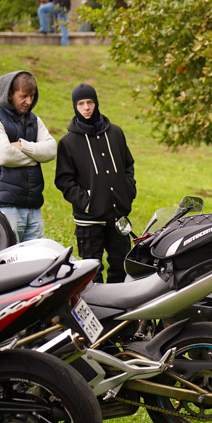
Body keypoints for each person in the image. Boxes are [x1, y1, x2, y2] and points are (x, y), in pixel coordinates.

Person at [55, 84, 136, 283]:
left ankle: (120, 312)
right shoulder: (68, 142)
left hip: (118, 217)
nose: (86, 108)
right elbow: (64, 180)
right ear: (75, 106)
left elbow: (128, 165)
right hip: (88, 221)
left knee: (122, 266)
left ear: (96, 103)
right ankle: (97, 313)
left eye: (90, 102)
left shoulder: (116, 133)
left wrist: (127, 192)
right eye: (81, 103)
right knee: (92, 272)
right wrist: (87, 202)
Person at [0, 71, 57, 242]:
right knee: (8, 262)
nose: (29, 101)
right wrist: (35, 157)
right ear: (9, 94)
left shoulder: (34, 120)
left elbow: (51, 150)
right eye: (24, 96)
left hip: (33, 208)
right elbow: (4, 156)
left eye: (32, 96)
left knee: (35, 262)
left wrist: (23, 146)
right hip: (3, 208)